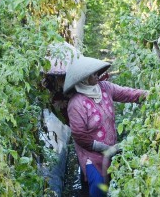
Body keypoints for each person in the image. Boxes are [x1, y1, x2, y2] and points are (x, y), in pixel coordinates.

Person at [63, 56, 147, 197]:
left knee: (112, 184)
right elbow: (79, 135)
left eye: (97, 73)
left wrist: (147, 95)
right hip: (91, 154)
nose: (97, 76)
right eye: (92, 74)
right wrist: (104, 148)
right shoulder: (76, 104)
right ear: (83, 79)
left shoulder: (105, 88)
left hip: (111, 148)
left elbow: (127, 93)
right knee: (97, 188)